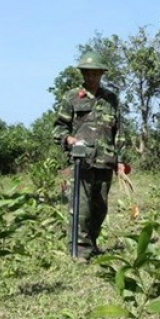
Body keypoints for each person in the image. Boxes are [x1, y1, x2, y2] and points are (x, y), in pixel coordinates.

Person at [53, 52, 129, 259]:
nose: (91, 77)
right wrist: (68, 140)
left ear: (102, 74)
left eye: (95, 73)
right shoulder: (71, 98)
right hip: (82, 161)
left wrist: (120, 161)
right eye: (87, 73)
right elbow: (59, 128)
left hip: (105, 160)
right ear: (82, 73)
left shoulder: (111, 99)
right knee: (81, 207)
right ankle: (79, 251)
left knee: (100, 207)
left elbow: (119, 131)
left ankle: (91, 244)